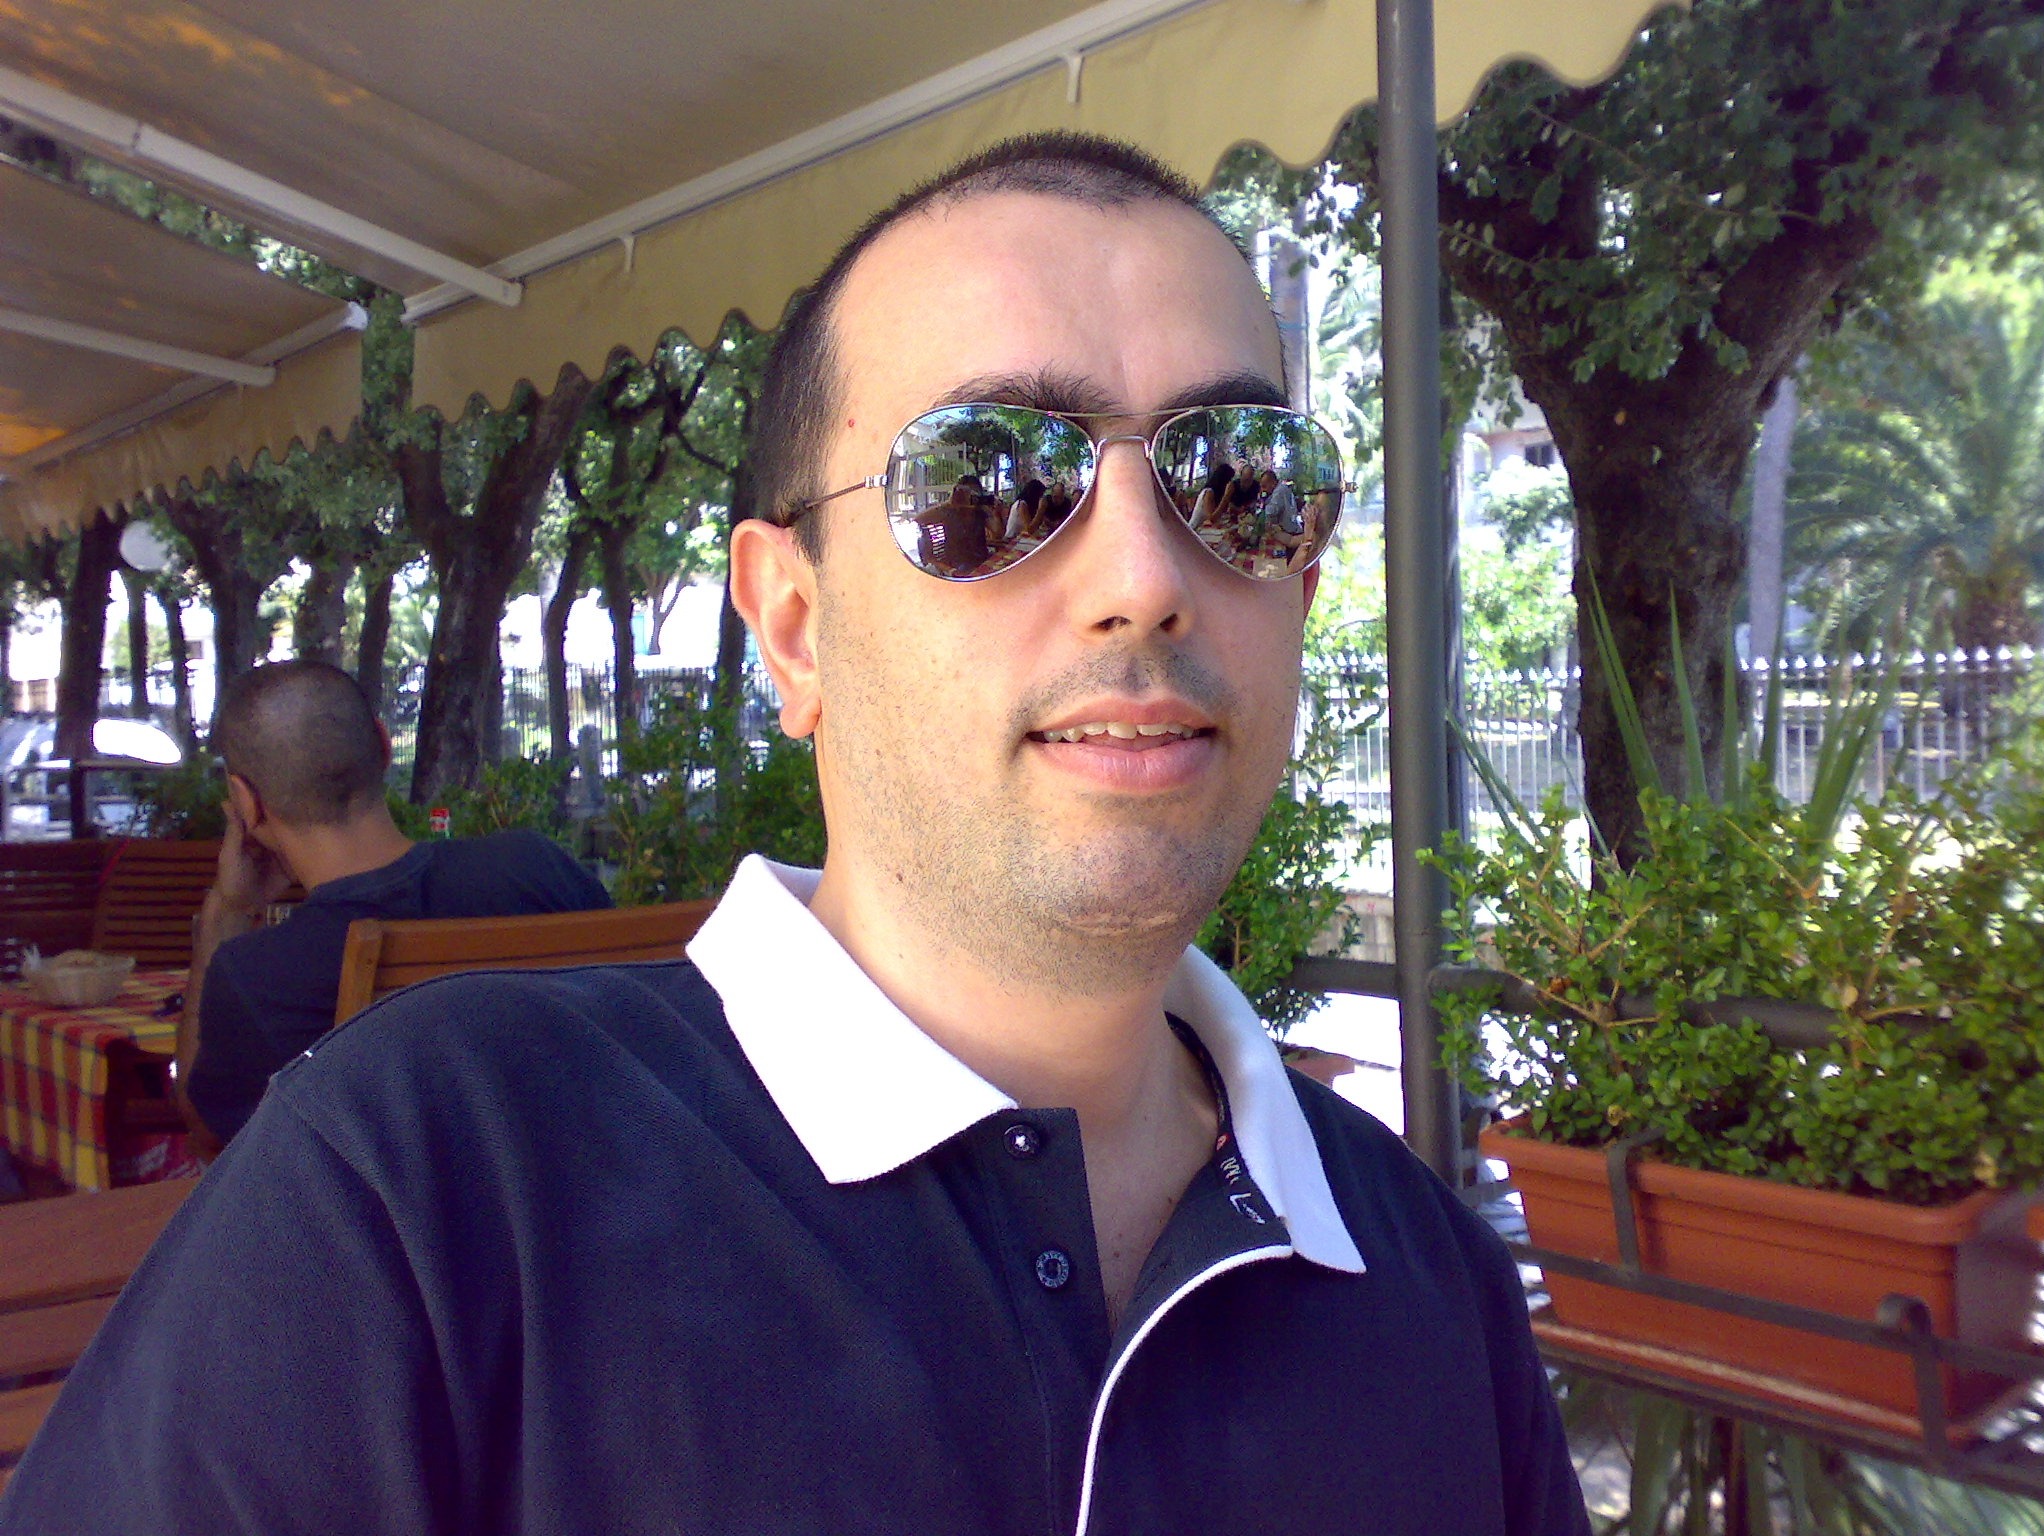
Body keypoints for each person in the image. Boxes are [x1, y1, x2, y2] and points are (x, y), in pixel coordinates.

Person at [0, 133, 1590, 1536]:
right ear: (794, 626)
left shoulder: (1427, 1280)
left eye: (1234, 478)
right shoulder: (421, 1193)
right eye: (992, 482)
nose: (1145, 576)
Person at [170, 659, 612, 1150]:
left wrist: (227, 913)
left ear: (246, 802)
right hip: (600, 1180)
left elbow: (213, 1139)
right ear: (382, 746)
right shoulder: (536, 867)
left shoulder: (260, 977)